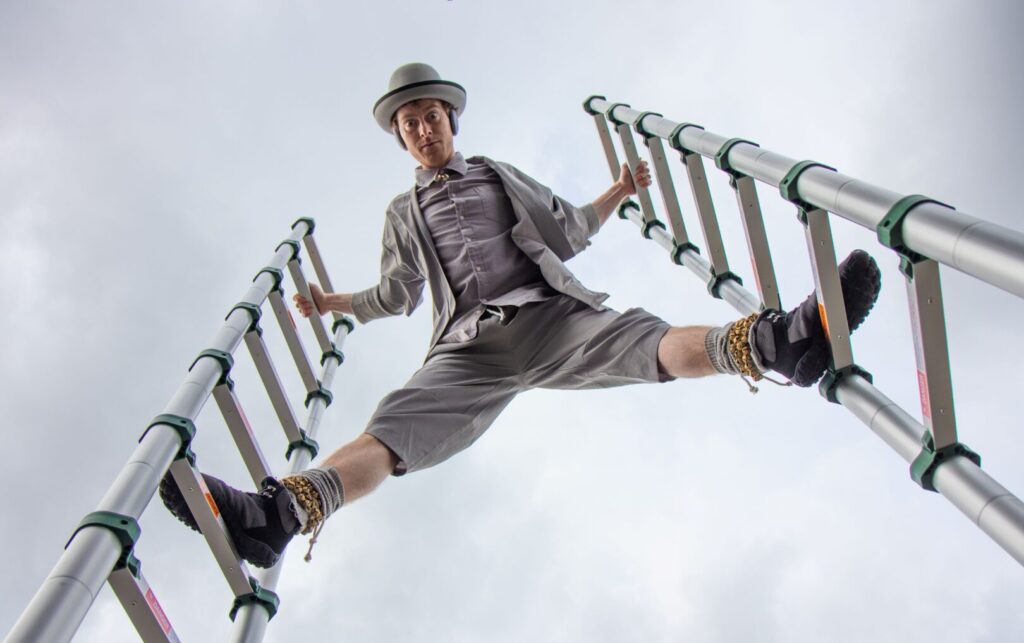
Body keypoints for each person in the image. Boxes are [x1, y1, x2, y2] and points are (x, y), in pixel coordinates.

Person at [161, 63, 881, 568]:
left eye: (431, 116)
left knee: (644, 339)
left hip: (548, 317)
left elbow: (565, 228)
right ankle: (280, 516)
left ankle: (780, 342)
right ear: (401, 138)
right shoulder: (402, 212)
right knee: (393, 423)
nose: (422, 129)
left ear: (450, 120)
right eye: (409, 124)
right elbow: (398, 294)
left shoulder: (497, 174)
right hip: (467, 349)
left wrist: (618, 190)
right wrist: (331, 302)